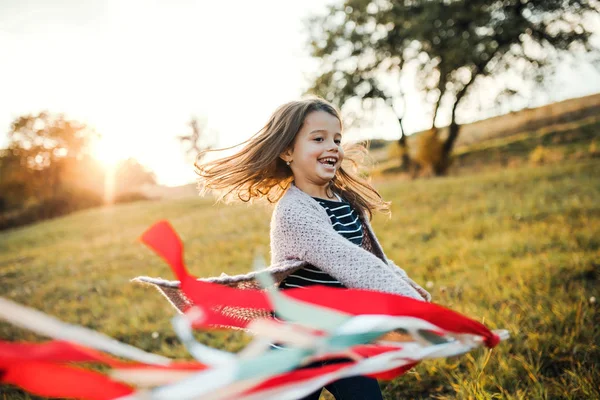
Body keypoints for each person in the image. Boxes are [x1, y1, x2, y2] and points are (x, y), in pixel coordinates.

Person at [192, 97, 431, 399]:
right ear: (287, 151)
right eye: (318, 138)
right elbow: (351, 263)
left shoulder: (344, 202)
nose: (332, 146)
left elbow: (374, 260)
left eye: (337, 139)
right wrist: (415, 310)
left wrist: (417, 298)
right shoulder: (294, 212)